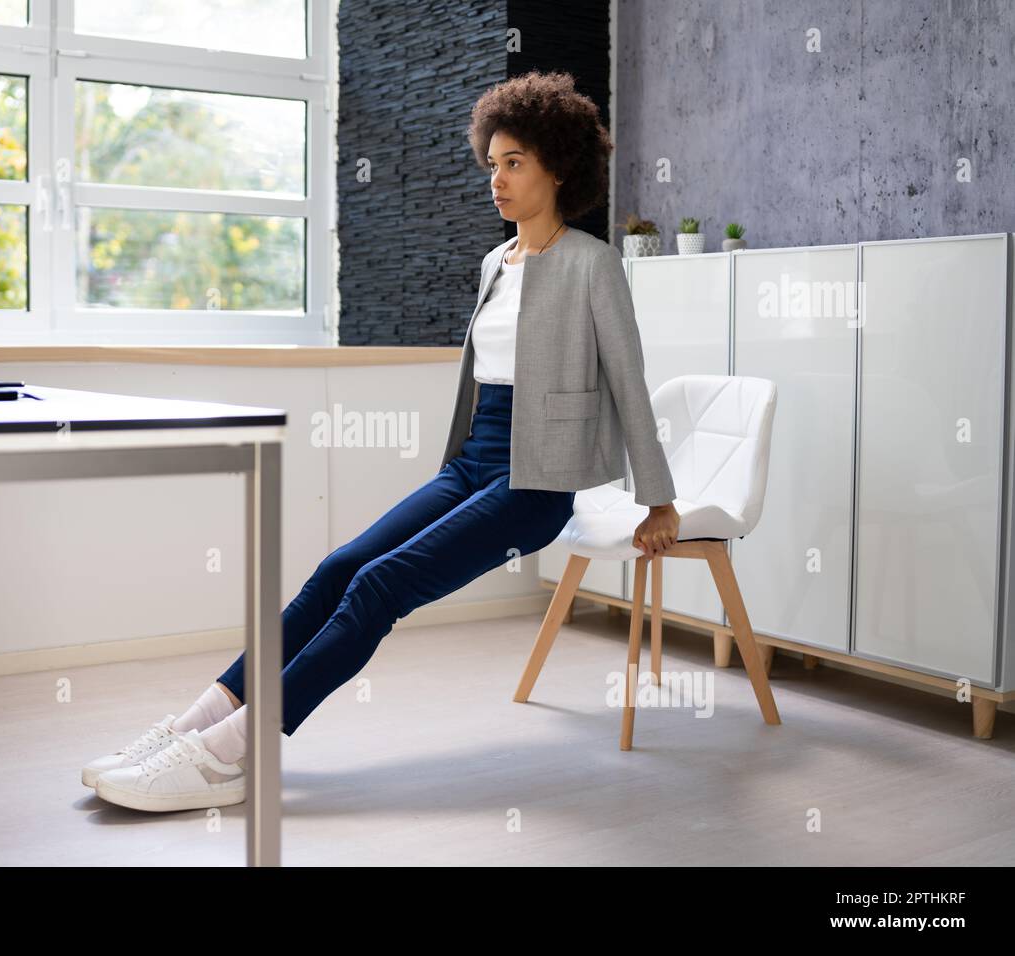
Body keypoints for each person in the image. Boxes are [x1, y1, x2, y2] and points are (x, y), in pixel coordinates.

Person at [85, 70, 681, 813]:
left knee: (379, 587)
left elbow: (629, 379)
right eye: (491, 163)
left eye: (515, 162)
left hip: (537, 482)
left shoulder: (593, 264)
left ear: (558, 166)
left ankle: (226, 756)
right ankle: (195, 723)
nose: (496, 179)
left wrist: (659, 500)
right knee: (340, 568)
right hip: (474, 461)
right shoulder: (496, 264)